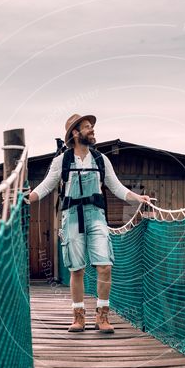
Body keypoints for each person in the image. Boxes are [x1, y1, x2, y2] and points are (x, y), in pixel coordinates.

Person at [28, 114, 151, 333]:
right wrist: (28, 197)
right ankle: (78, 317)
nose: (92, 130)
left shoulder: (101, 160)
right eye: (87, 127)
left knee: (105, 265)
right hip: (71, 216)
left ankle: (102, 316)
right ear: (76, 133)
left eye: (92, 127)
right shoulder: (62, 161)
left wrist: (138, 198)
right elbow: (46, 186)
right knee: (77, 269)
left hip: (96, 215)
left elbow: (116, 187)